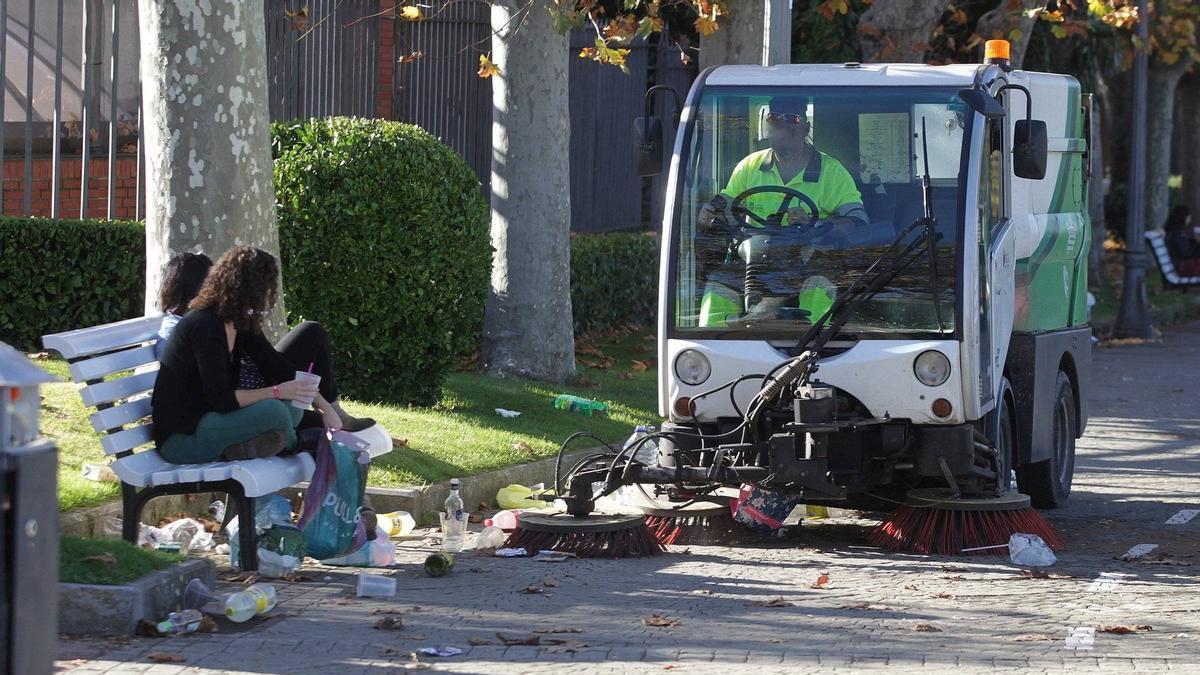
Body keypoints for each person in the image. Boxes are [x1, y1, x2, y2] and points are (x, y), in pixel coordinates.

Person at [152, 247, 345, 464]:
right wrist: (276, 391)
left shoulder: (238, 321)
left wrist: (326, 408)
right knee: (275, 410)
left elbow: (280, 369)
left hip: (216, 422)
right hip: (185, 436)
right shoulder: (204, 325)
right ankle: (296, 444)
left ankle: (253, 445)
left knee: (293, 405)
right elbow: (222, 399)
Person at [695, 96, 867, 326]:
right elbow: (726, 200)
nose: (782, 125)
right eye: (774, 118)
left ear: (806, 127)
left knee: (819, 290)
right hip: (753, 263)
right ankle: (713, 350)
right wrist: (711, 209)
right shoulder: (749, 166)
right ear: (767, 124)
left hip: (808, 263)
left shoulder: (833, 172)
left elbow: (857, 221)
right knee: (716, 291)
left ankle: (809, 350)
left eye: (792, 119)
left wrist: (813, 223)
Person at [1164, 205, 1200, 276]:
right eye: (1188, 216)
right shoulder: (1176, 234)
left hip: (1182, 265)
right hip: (1183, 267)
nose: (1189, 219)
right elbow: (1185, 254)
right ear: (1183, 217)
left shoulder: (1175, 232)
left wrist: (1195, 241)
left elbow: (1185, 250)